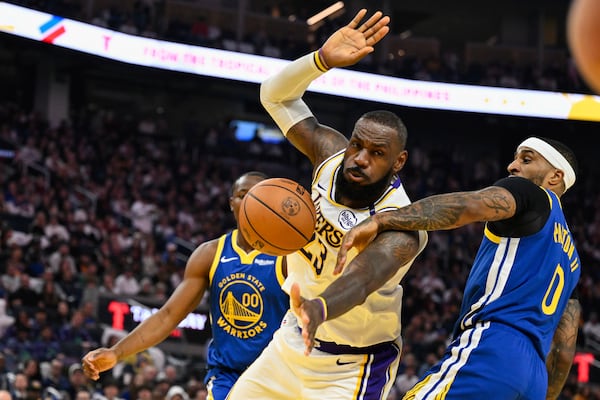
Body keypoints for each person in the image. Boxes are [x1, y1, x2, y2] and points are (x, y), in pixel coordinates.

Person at [227, 9, 428, 400]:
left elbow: (363, 278)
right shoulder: (329, 155)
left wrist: (319, 309)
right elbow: (274, 94)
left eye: (377, 153)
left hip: (352, 365)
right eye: (357, 144)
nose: (359, 158)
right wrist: (319, 60)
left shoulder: (402, 222)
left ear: (397, 162)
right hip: (291, 340)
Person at [335, 136, 582, 399]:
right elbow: (564, 349)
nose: (512, 166)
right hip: (534, 379)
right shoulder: (573, 260)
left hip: (494, 349)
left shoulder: (532, 195)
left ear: (555, 177)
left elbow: (470, 205)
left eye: (526, 159)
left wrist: (383, 219)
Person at [81, 172, 290, 400]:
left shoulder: (289, 255)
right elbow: (168, 316)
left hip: (277, 373)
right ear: (232, 204)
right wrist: (116, 352)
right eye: (242, 195)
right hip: (228, 376)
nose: (250, 201)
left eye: (258, 195)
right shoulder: (209, 254)